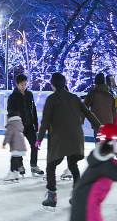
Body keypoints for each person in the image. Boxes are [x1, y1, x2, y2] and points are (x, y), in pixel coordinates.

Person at [37, 73, 100, 208]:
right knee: (73, 165)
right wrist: (100, 127)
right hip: (75, 137)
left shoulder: (52, 99)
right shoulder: (74, 98)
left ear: (53, 85)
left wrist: (39, 139)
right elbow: (88, 113)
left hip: (59, 139)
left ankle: (52, 195)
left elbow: (45, 121)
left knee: (51, 166)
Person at [6, 74, 44, 176]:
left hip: (29, 125)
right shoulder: (12, 97)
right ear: (17, 84)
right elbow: (10, 111)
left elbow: (33, 110)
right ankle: (20, 165)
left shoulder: (29, 94)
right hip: (18, 126)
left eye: (25, 84)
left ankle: (34, 165)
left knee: (35, 144)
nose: (24, 86)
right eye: (22, 84)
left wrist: (36, 124)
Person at [2, 110, 27, 181]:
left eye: (7, 117)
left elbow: (8, 135)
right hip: (21, 145)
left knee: (13, 160)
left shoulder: (11, 125)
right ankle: (16, 174)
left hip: (16, 145)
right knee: (17, 159)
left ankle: (12, 173)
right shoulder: (19, 123)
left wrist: (4, 144)